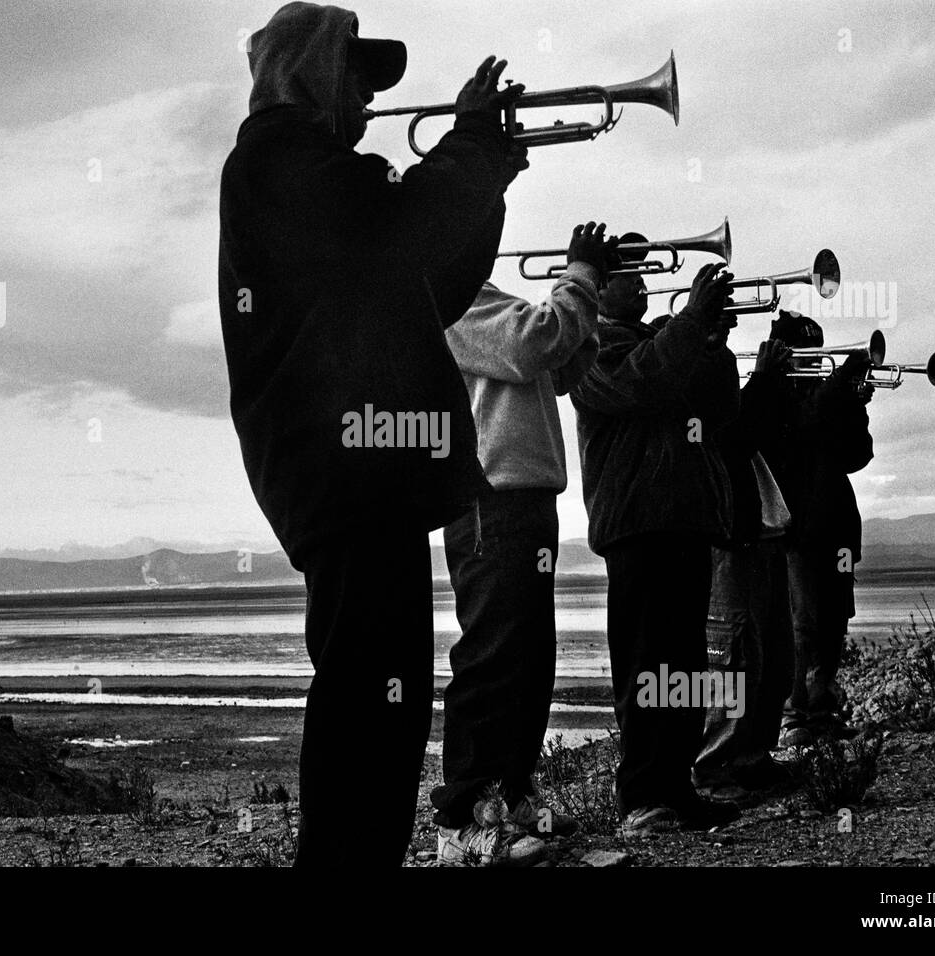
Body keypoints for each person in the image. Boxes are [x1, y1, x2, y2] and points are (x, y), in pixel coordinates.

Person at [218, 2, 527, 866]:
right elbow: (401, 236)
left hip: (364, 471)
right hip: (341, 470)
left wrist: (487, 179)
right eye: (356, 76)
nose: (366, 99)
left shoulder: (316, 172)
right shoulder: (276, 163)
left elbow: (434, 284)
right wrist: (465, 148)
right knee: (368, 698)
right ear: (312, 75)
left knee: (386, 700)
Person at [432, 222, 609, 865]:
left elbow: (560, 372)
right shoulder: (451, 297)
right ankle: (463, 822)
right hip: (490, 499)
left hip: (524, 499)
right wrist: (581, 278)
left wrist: (591, 308)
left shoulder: (487, 297)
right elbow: (532, 344)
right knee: (491, 658)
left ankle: (506, 799)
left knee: (528, 660)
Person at [569, 250, 743, 838]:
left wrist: (711, 340)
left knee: (684, 666)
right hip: (637, 523)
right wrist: (690, 324)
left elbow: (720, 410)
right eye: (625, 274)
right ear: (597, 287)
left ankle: (675, 788)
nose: (642, 283)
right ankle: (643, 797)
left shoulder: (666, 340)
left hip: (686, 520)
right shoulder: (588, 348)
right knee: (647, 665)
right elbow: (637, 383)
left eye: (643, 274)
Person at [692, 332, 799, 802]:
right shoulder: (697, 388)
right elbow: (735, 434)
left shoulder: (733, 386)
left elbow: (776, 431)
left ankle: (752, 758)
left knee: (774, 657)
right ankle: (713, 769)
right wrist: (763, 378)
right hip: (732, 539)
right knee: (731, 658)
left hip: (764, 536)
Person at [765, 312, 875, 747]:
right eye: (804, 354)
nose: (813, 362)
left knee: (834, 621)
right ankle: (794, 717)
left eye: (816, 352)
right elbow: (800, 426)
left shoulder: (827, 399)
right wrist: (837, 393)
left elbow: (858, 455)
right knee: (802, 623)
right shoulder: (772, 395)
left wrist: (854, 405)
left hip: (836, 527)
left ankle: (822, 708)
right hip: (795, 530)